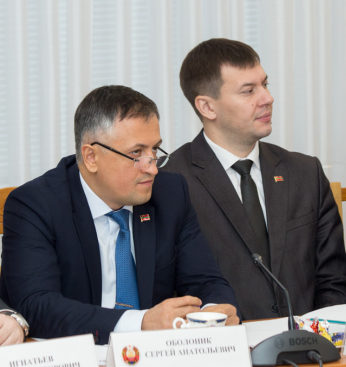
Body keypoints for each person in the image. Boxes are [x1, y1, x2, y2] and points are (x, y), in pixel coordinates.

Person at [0, 86, 239, 344]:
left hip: (157, 356)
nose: (152, 168)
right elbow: (37, 306)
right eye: (136, 153)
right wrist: (141, 323)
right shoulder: (36, 204)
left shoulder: (170, 194)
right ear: (91, 157)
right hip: (78, 354)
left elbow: (205, 280)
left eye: (155, 150)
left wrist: (213, 312)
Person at [165, 38, 346, 320]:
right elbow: (168, 294)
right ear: (207, 107)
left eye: (265, 84)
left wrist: (317, 334)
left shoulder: (305, 173)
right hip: (224, 343)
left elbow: (335, 281)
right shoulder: (170, 183)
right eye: (248, 91)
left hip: (308, 341)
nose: (267, 98)